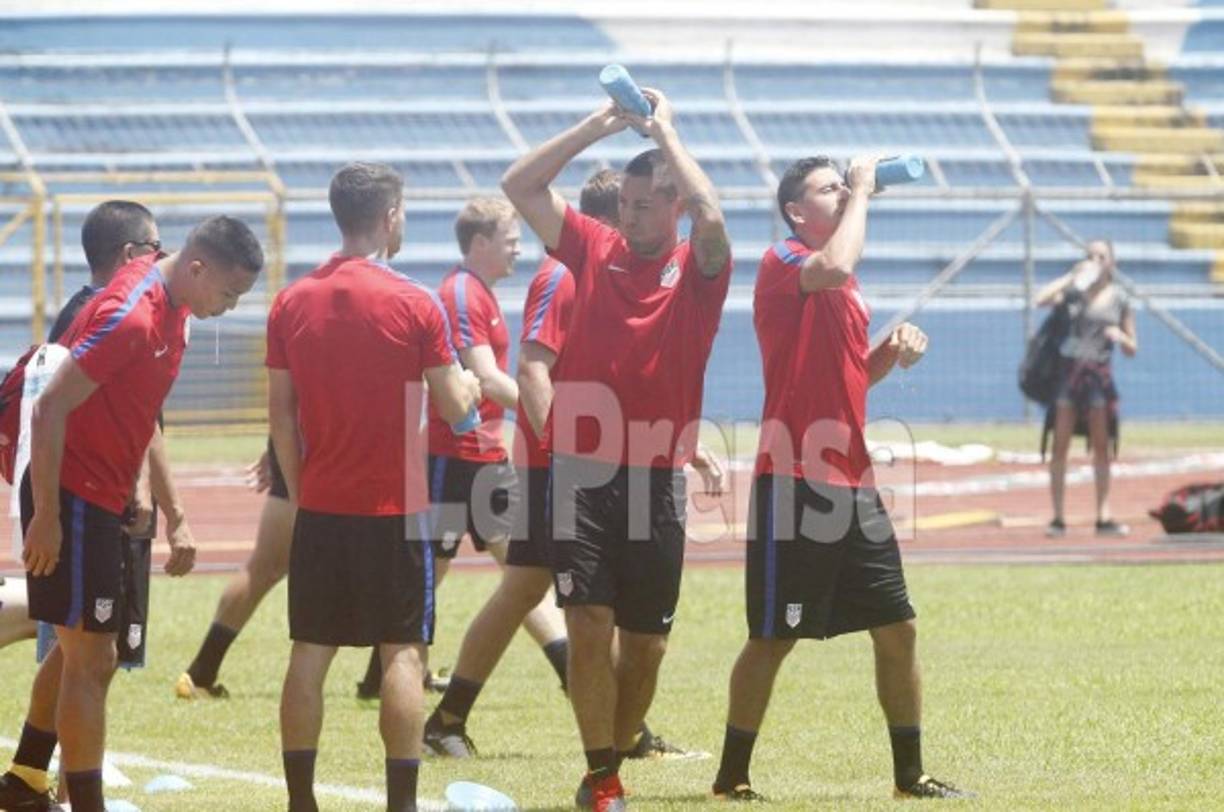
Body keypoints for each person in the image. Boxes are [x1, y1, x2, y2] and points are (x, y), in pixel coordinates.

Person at [423, 170, 716, 764]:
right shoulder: (569, 272)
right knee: (538, 593)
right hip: (558, 467)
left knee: (526, 588)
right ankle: (606, 735)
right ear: (616, 218)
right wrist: (567, 456)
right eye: (628, 213)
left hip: (582, 463)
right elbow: (534, 368)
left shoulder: (612, 272)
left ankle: (460, 715)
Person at [710, 155, 969, 802]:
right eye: (830, 189)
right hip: (796, 479)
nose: (845, 193)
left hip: (852, 481)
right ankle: (730, 777)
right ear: (798, 211)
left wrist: (891, 352)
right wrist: (863, 191)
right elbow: (837, 264)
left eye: (843, 186)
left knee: (899, 627)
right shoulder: (786, 260)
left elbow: (852, 373)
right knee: (774, 637)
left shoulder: (844, 288)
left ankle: (910, 777)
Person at [502, 86, 732, 811]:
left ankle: (612, 753)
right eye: (625, 205)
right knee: (588, 621)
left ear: (674, 208)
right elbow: (520, 185)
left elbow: (716, 215)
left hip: (658, 476)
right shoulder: (593, 247)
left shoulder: (701, 269)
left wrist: (668, 135)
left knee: (647, 646)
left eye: (645, 205)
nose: (629, 217)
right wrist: (600, 124)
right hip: (583, 472)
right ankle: (603, 777)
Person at [7, 214, 262, 812]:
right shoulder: (134, 313)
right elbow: (48, 411)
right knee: (93, 657)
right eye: (227, 294)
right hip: (70, 496)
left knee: (84, 652)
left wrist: (169, 508)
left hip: (105, 496)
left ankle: (23, 782)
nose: (229, 308)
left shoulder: (179, 309)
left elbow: (141, 410)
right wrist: (46, 514)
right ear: (196, 268)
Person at [268, 161, 480, 812]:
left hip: (324, 502)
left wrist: (304, 492)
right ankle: (402, 803)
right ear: (390, 217)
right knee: (403, 653)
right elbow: (454, 408)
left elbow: (281, 413)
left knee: (310, 650)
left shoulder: (291, 300)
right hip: (398, 505)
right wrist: (470, 388)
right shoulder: (416, 302)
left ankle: (301, 800)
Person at [355, 196, 570, 707]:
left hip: (471, 457)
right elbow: (487, 379)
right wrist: (558, 422)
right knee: (507, 570)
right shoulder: (461, 295)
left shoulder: (477, 292)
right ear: (480, 243)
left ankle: (379, 674)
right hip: (461, 456)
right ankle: (568, 665)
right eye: (509, 240)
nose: (518, 250)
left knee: (447, 565)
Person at [174, 441, 293, 699]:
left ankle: (203, 670)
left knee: (264, 568)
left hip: (306, 438)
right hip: (328, 443)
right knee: (267, 566)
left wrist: (278, 438)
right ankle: (382, 675)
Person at [1035, 240, 1137, 538]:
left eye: (1101, 256)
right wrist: (1072, 276)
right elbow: (1041, 299)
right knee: (1060, 446)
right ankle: (1058, 517)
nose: (1095, 260)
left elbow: (1133, 346)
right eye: (1090, 255)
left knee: (1101, 447)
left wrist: (1120, 336)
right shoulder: (1073, 294)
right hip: (1069, 374)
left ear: (1111, 263)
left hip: (1099, 378)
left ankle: (1103, 516)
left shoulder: (1119, 298)